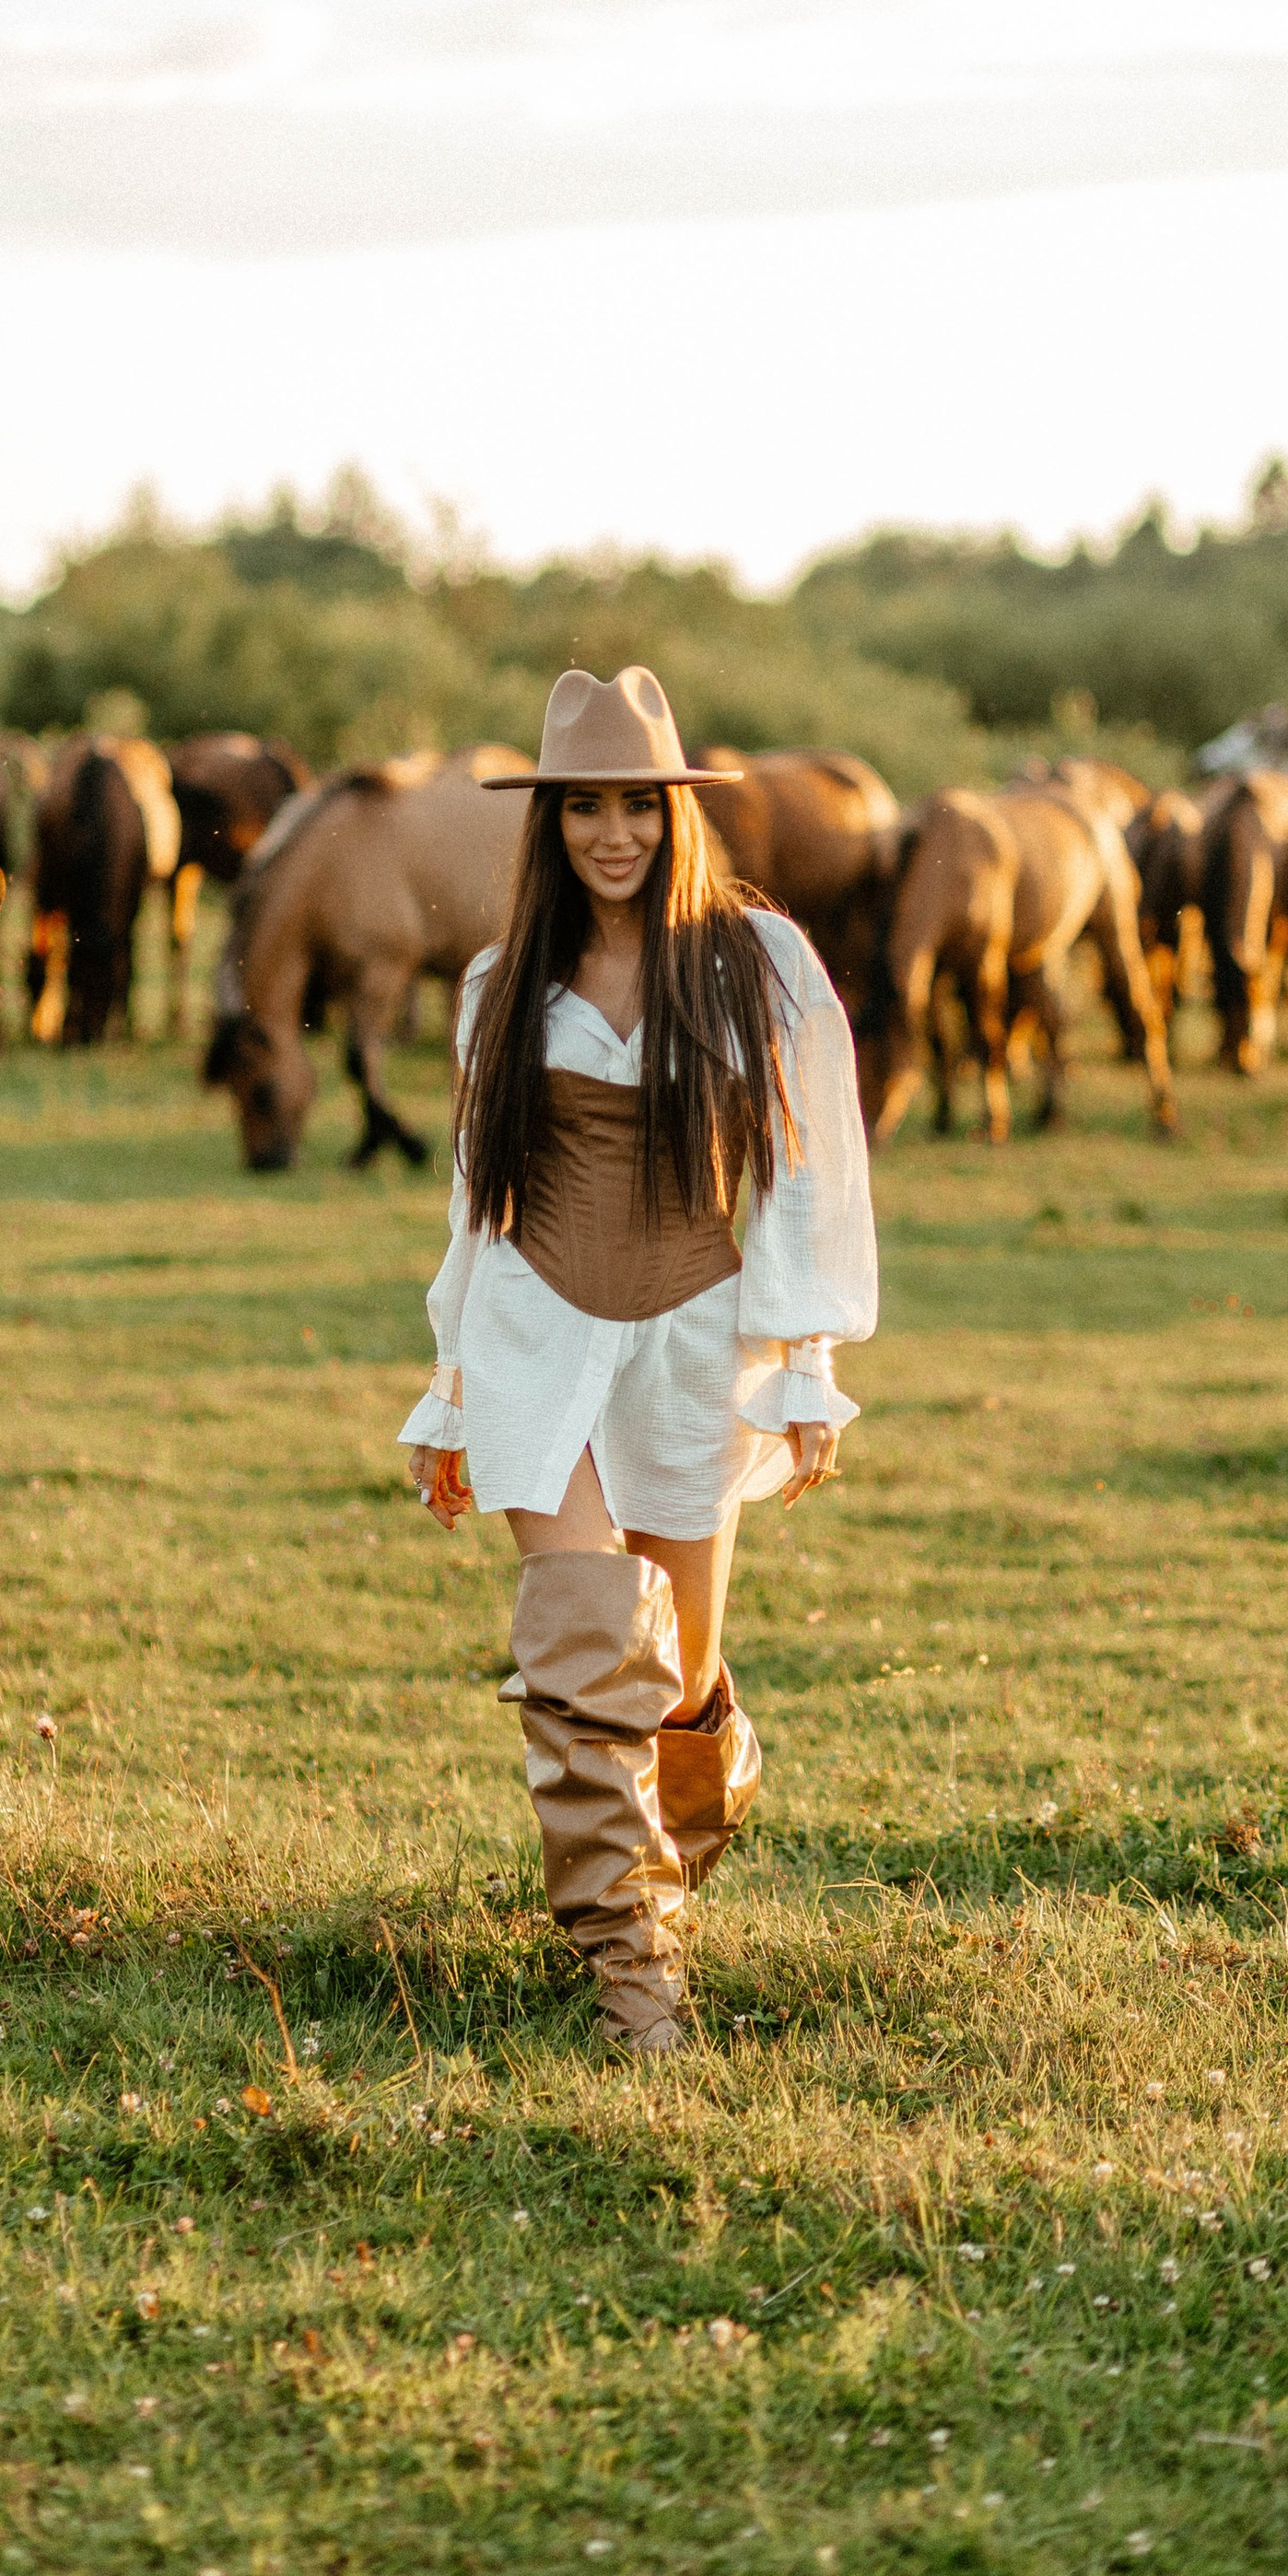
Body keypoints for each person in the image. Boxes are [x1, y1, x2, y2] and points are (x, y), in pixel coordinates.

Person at [400, 665, 878, 2053]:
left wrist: (805, 1366)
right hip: (537, 1334)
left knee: (676, 1684)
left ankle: (668, 1862)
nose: (613, 833)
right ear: (548, 824)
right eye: (583, 807)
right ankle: (634, 1979)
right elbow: (477, 1202)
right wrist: (453, 1389)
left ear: (679, 814)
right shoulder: (499, 985)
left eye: (638, 805)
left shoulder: (758, 963)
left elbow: (805, 1173)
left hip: (693, 1342)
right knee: (584, 1645)